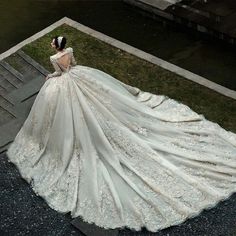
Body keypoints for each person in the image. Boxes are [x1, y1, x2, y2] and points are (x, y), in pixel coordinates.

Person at [6, 35, 236, 233]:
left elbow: (60, 72)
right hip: (80, 76)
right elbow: (73, 65)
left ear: (55, 47)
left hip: (66, 83)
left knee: (69, 112)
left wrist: (51, 77)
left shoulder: (55, 59)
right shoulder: (71, 52)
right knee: (101, 104)